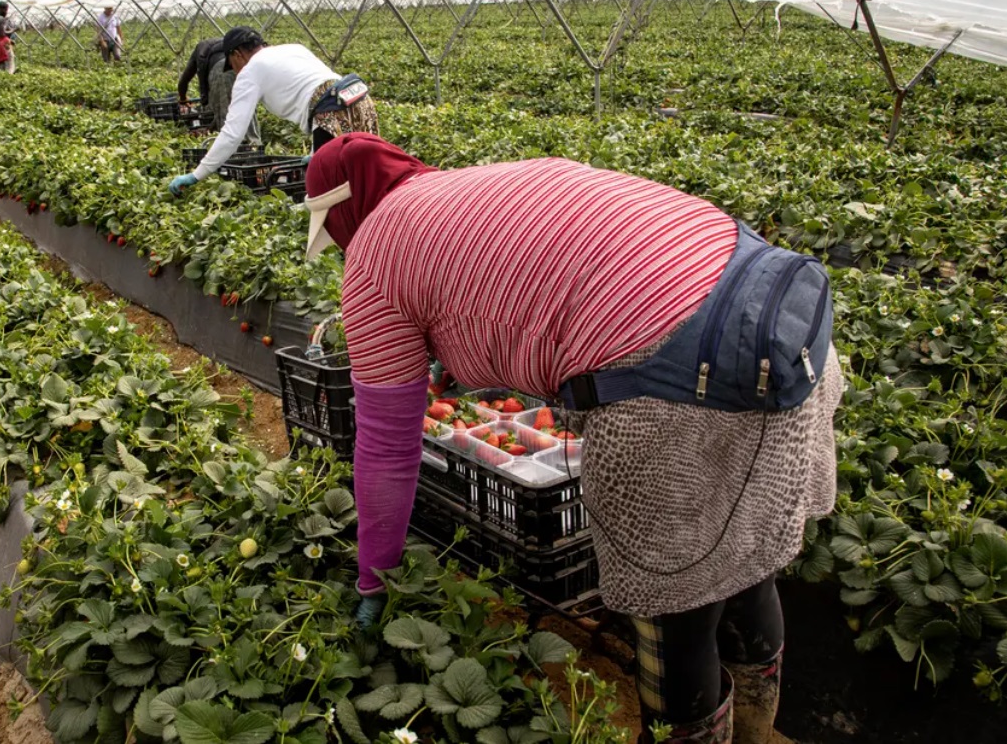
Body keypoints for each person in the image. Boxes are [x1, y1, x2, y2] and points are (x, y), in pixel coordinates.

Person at [303, 134, 841, 744]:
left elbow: (386, 451)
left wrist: (375, 580)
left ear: (344, 210)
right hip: (785, 323)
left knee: (676, 616)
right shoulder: (468, 187)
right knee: (747, 567)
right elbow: (549, 292)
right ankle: (756, 730)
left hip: (677, 387)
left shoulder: (374, 256)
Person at [167, 27, 377, 194]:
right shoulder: (294, 49)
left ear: (237, 54)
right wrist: (315, 151)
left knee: (329, 195)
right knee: (365, 179)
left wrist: (197, 174)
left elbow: (232, 134)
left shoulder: (250, 71)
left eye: (232, 64)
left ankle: (341, 244)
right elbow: (320, 90)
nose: (235, 71)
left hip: (332, 114)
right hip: (360, 101)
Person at [176, 38, 259, 137]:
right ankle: (253, 144)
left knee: (224, 116)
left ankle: (234, 147)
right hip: (238, 67)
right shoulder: (229, 45)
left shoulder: (200, 49)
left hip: (219, 72)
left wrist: (183, 99)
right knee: (245, 108)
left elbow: (184, 81)